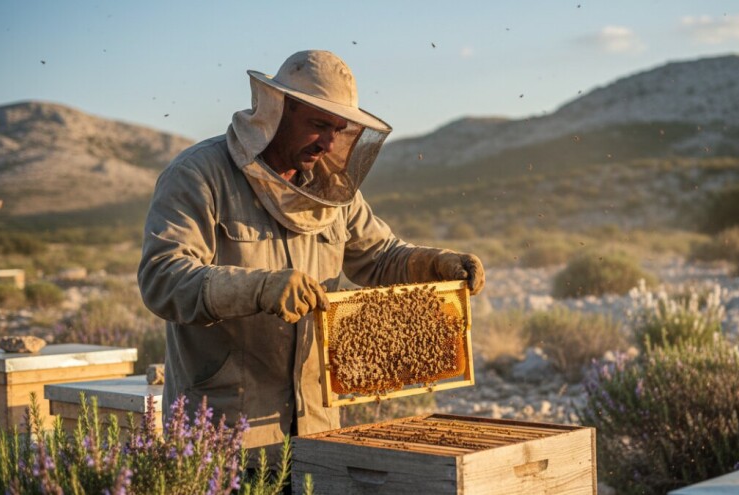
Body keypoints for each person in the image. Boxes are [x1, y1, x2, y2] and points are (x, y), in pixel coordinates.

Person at [137, 50, 485, 464]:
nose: (329, 142)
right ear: (277, 111)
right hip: (227, 429)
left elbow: (379, 256)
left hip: (319, 424)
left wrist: (435, 264)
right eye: (318, 124)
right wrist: (259, 288)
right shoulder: (200, 175)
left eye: (339, 129)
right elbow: (163, 278)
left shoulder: (333, 192)